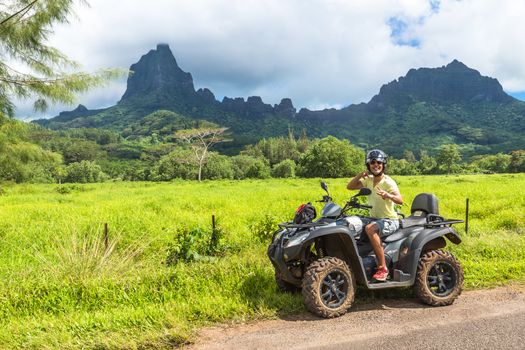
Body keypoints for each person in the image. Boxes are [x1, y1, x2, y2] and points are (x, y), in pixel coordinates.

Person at [347, 149, 403, 281]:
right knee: (352, 223)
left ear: (383, 165)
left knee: (370, 229)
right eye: (372, 162)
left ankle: (383, 267)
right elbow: (350, 186)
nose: (376, 165)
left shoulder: (388, 182)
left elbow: (400, 200)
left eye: (379, 162)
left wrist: (387, 195)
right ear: (368, 165)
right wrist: (360, 175)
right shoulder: (368, 180)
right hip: (375, 218)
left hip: (390, 220)